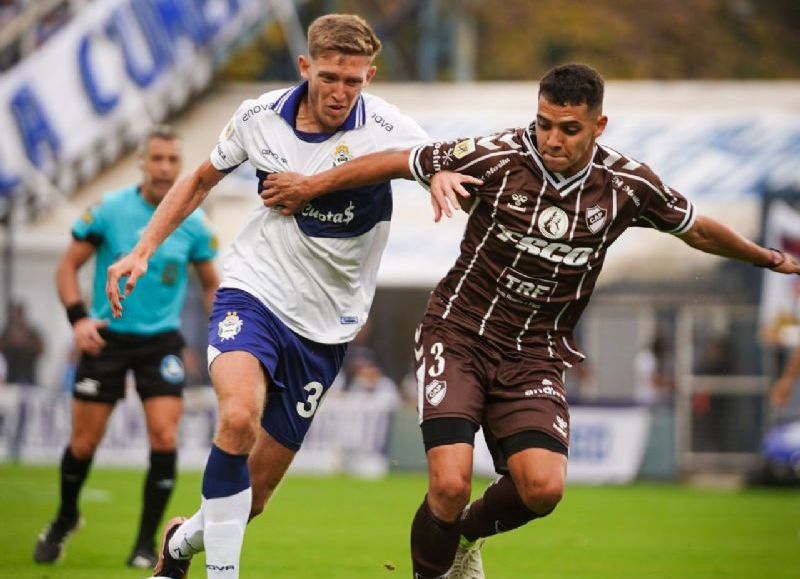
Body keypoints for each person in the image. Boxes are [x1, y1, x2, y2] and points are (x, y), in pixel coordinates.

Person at [260, 63, 800, 578]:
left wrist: (770, 258)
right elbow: (399, 159)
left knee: (542, 489)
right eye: (544, 124)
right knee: (448, 484)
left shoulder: (627, 185)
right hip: (460, 333)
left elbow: (696, 228)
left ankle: (467, 538)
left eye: (568, 129)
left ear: (598, 125)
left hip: (536, 353)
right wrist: (311, 186)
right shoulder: (494, 156)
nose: (552, 139)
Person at [105, 14, 428, 579]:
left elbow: (438, 161)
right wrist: (144, 247)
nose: (341, 92)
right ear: (306, 67)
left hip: (326, 327)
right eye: (330, 77)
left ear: (370, 76)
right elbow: (201, 179)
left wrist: (441, 174)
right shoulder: (258, 117)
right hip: (254, 291)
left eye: (354, 81)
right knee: (236, 419)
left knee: (252, 499)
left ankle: (180, 545)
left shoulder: (387, 126)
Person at [33, 126, 219, 569]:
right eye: (157, 159)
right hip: (107, 338)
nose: (164, 168)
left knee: (165, 435)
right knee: (83, 443)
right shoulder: (109, 209)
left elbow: (212, 285)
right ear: (143, 162)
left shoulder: (195, 223)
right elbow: (67, 267)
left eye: (173, 161)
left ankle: (142, 544)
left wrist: (223, 335)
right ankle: (64, 519)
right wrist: (78, 320)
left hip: (161, 342)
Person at [0, 301, 44, 386]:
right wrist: (12, 342)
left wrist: (26, 344)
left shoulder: (32, 332)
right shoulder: (7, 332)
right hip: (11, 375)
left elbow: (41, 349)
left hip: (28, 374)